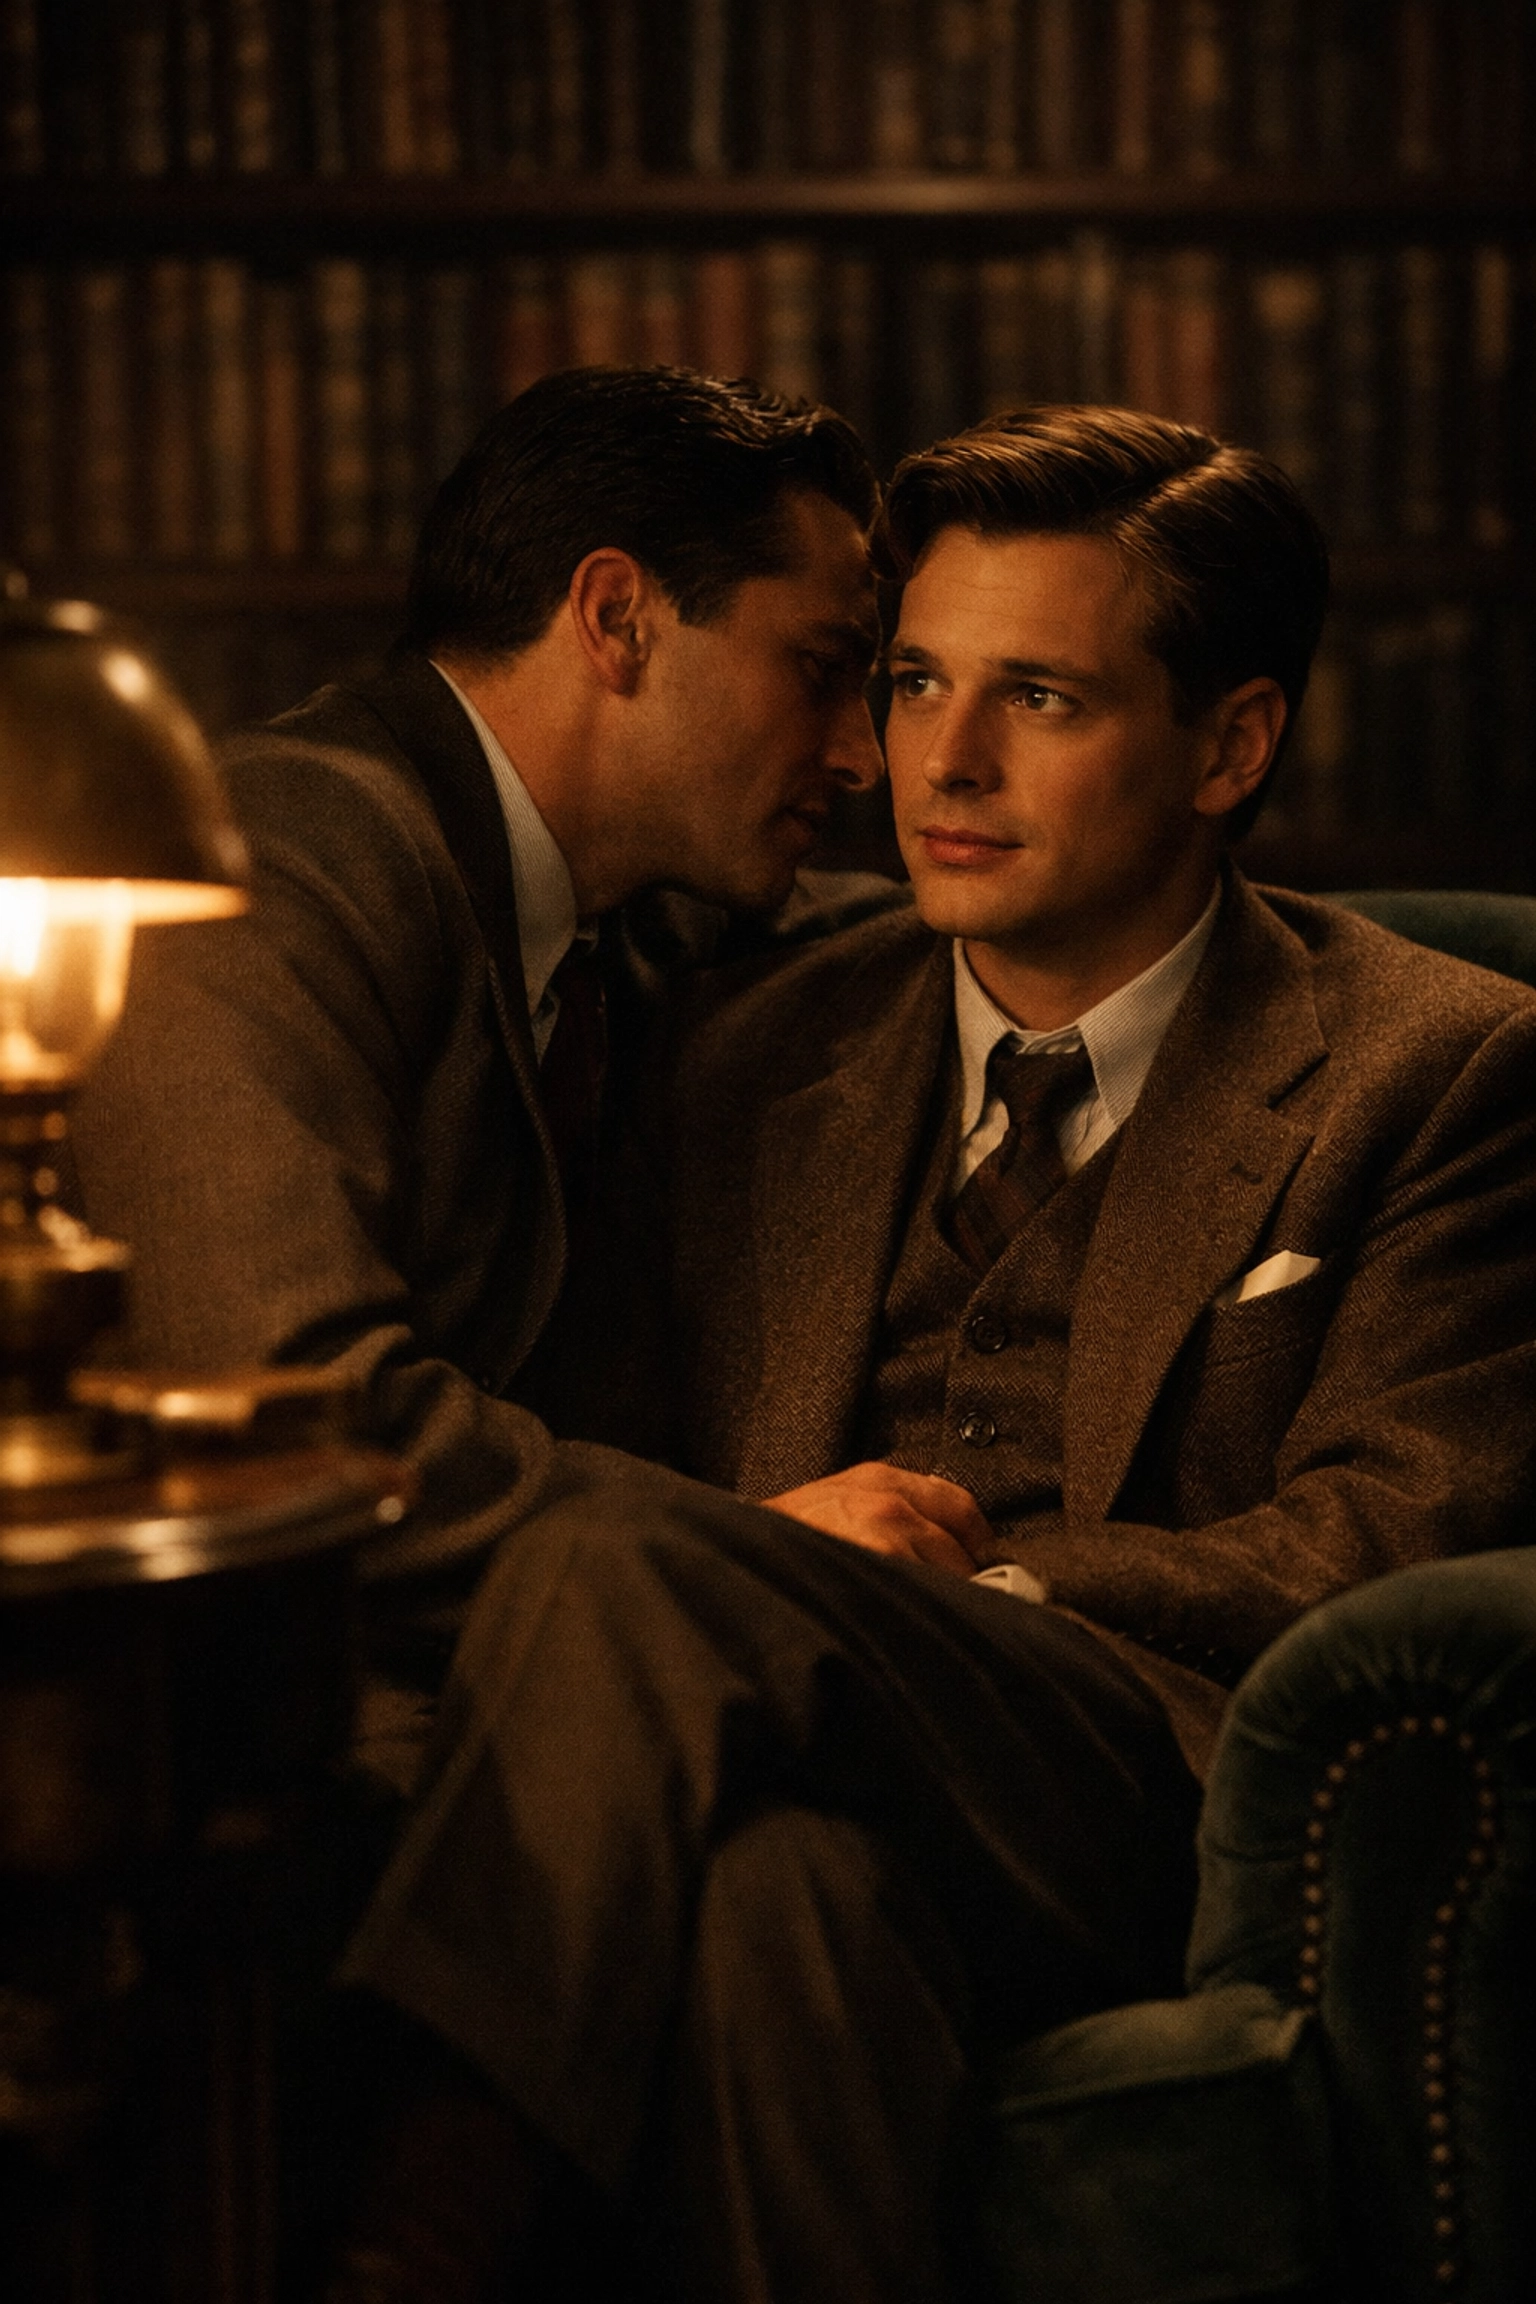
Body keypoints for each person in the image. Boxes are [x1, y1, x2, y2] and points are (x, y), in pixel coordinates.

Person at [330, 406, 1536, 2303]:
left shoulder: (1444, 1065)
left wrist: (992, 1580)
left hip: (1139, 1771)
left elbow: (1388, 1536)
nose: (939, 765)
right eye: (909, 683)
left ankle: (420, 2214)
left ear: (1231, 743)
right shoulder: (741, 1039)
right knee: (772, 1914)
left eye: (1040, 698)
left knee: (624, 1548)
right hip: (772, 1750)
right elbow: (637, 1435)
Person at [70, 362, 891, 1714]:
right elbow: (296, 1416)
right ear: (619, 617)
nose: (862, 753)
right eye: (819, 668)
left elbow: (897, 935)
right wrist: (745, 1561)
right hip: (245, 1718)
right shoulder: (273, 867)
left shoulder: (622, 912)